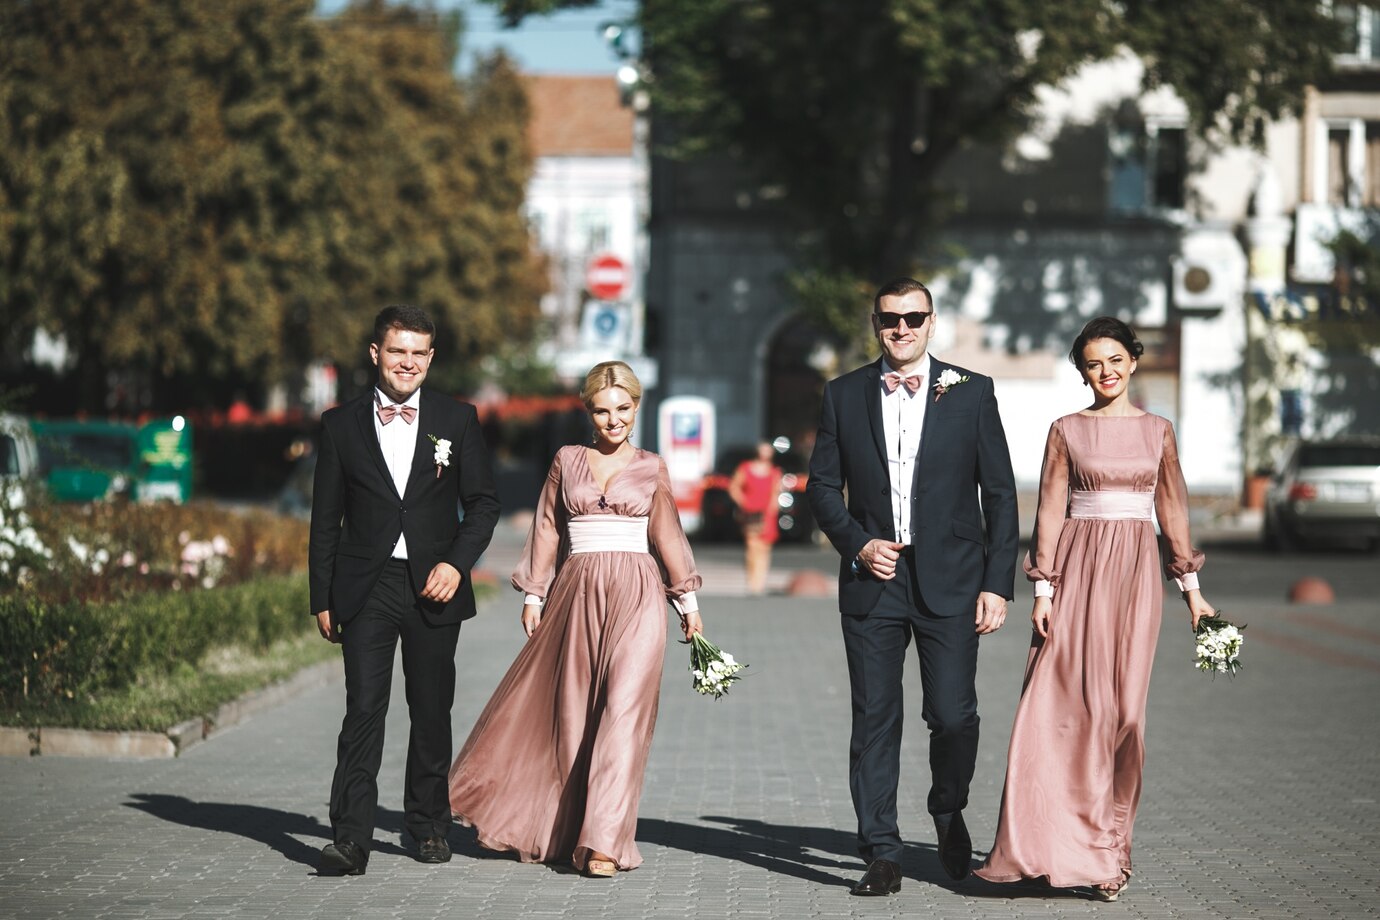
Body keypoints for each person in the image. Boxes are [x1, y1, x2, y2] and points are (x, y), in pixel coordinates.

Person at [974, 316, 1214, 901]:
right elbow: (1050, 511)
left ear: (1133, 361)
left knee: (1126, 716)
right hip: (1078, 573)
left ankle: (1107, 840)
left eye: (1113, 360)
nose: (1104, 372)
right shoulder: (1067, 430)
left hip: (1135, 577)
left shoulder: (1158, 430)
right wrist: (1043, 591)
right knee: (1070, 714)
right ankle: (1093, 857)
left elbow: (1173, 510)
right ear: (1082, 372)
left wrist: (1193, 591)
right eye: (1091, 363)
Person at [448, 360, 705, 878]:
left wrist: (688, 604)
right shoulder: (567, 460)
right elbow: (546, 525)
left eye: (623, 409)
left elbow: (669, 536)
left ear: (637, 407)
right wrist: (533, 594)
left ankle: (605, 843)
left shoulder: (652, 467)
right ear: (588, 412)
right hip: (576, 592)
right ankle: (569, 832)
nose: (614, 421)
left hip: (638, 594)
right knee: (573, 719)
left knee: (623, 714)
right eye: (603, 411)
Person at [806, 277, 1019, 896]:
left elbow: (1000, 495)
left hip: (952, 579)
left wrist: (997, 584)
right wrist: (857, 542)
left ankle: (947, 806)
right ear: (875, 324)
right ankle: (882, 849)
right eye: (889, 320)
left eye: (913, 318)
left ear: (932, 321)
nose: (901, 330)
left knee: (952, 715)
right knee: (874, 718)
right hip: (874, 579)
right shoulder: (843, 395)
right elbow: (822, 486)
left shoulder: (971, 392)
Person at [309, 305, 500, 876]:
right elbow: (325, 519)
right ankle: (350, 837)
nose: (407, 363)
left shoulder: (457, 418)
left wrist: (457, 565)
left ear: (431, 358)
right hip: (366, 587)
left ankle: (427, 825)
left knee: (431, 709)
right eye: (397, 352)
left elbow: (484, 505)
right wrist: (322, 596)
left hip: (434, 587)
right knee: (364, 708)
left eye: (418, 353)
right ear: (376, 354)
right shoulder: (339, 425)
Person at [728, 442, 782, 595]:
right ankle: (752, 580)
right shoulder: (746, 468)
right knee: (752, 546)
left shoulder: (774, 471)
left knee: (765, 547)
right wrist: (742, 501)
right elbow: (734, 487)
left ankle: (760, 580)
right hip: (750, 511)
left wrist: (772, 509)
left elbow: (775, 493)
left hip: (767, 513)